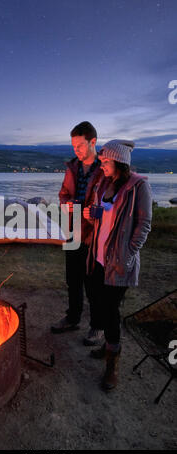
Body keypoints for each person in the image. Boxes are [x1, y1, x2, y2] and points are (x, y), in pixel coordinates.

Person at [83, 139, 152, 391]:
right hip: (98, 256)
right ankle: (106, 346)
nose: (101, 165)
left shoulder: (139, 186)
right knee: (99, 305)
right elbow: (100, 214)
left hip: (120, 262)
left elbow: (144, 224)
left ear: (120, 162)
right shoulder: (104, 183)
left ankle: (112, 365)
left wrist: (130, 252)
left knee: (111, 311)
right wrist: (91, 214)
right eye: (101, 161)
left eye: (105, 161)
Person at [51, 121, 104, 345]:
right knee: (72, 279)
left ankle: (98, 326)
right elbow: (63, 193)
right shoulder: (72, 166)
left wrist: (94, 212)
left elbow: (111, 202)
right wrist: (67, 204)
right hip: (72, 229)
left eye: (80, 146)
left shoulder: (105, 168)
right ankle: (73, 318)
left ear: (93, 142)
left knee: (93, 282)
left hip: (94, 233)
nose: (76, 151)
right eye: (74, 146)